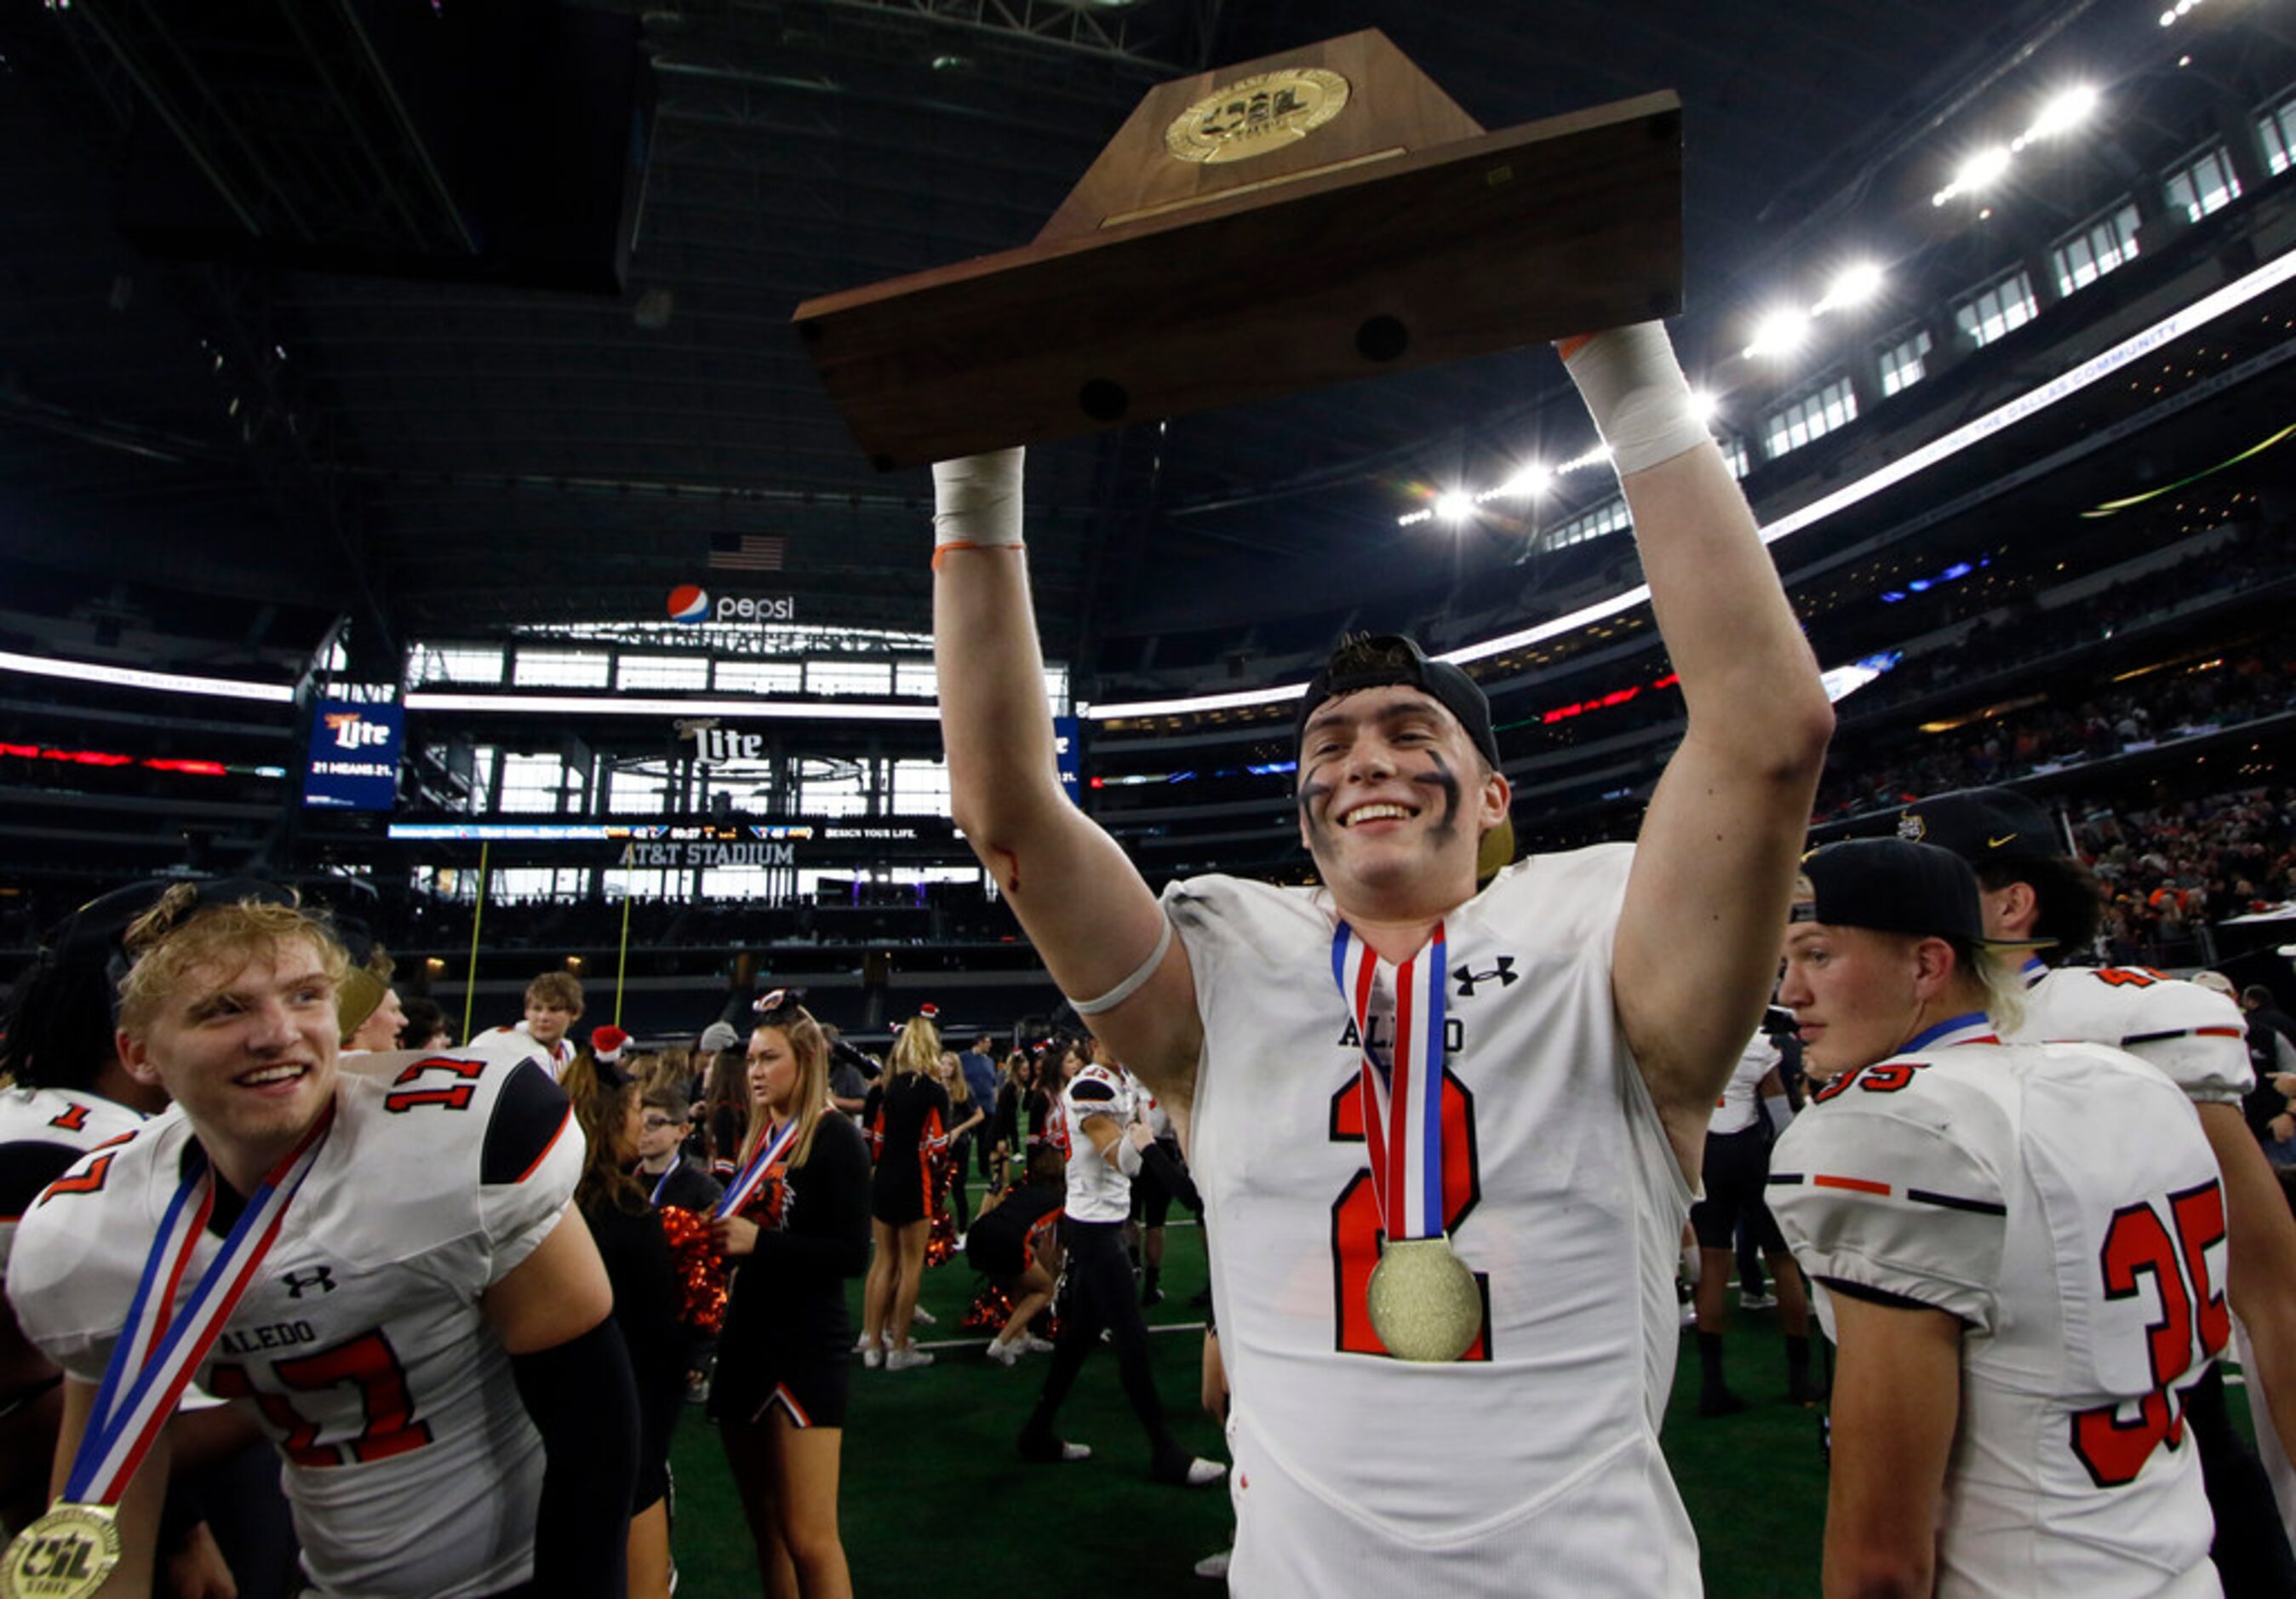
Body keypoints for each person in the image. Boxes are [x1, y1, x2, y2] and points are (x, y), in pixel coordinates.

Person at [930, 318, 1831, 1588]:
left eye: (1413, 730)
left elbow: (1770, 732)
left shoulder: (1600, 945)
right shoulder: (1224, 969)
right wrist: (975, 469)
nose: (1367, 758)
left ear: (1497, 792)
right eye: (1331, 744)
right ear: (1300, 805)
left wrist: (1614, 345)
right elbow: (1009, 809)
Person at [9, 885, 638, 1597]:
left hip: (518, 1574)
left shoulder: (454, 1146)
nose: (278, 1033)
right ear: (140, 1053)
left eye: (306, 995)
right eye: (224, 1008)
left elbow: (595, 1436)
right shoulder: (97, 1230)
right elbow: (105, 1499)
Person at [1770, 838, 2224, 1596]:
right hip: (2176, 1562)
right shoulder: (2124, 1078)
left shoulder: (1894, 1127)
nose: (1791, 991)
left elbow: (1881, 1558)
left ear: (1925, 965)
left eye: (1817, 955)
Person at [1904, 784, 2296, 1584]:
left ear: (2011, 904)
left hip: (2148, 1443)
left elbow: (2270, 1283)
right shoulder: (1898, 1037)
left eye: (1926, 888)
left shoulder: (2118, 1022)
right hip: (1973, 1458)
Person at [0, 878, 299, 1599]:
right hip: (133, 1512)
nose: (270, 1033)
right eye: (224, 1005)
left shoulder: (29, 1116)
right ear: (132, 1033)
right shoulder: (86, 1170)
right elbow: (37, 1412)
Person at [711, 999, 870, 1599]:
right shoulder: (763, 1136)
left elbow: (852, 1256)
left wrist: (761, 1243)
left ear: (806, 1063)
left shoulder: (833, 1139)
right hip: (748, 1339)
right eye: (751, 1059)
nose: (754, 1071)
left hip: (804, 1347)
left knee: (810, 1537)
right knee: (768, 1532)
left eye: (768, 1058)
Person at [1016, 1036, 1219, 1485]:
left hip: (1103, 1223)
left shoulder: (1119, 1080)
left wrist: (1150, 1142)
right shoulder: (1092, 1086)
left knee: (1078, 1337)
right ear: (1093, 1041)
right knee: (1131, 1337)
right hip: (1093, 1230)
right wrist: (1142, 1141)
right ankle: (1164, 1451)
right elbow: (1123, 1162)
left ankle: (1036, 1431)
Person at [563, 1053, 682, 1599]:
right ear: (613, 1119)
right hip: (624, 1429)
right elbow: (661, 1339)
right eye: (637, 1110)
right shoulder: (625, 1208)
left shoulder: (547, 1200)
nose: (642, 1122)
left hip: (554, 1432)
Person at [1687, 1026, 1818, 1416]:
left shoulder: (1690, 1039)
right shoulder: (1756, 1045)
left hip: (1707, 1152)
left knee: (1712, 1265)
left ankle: (1712, 1387)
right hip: (1752, 1153)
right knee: (1782, 1260)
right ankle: (1800, 1379)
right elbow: (1780, 1116)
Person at [857, 1015, 950, 1371]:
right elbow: (939, 1147)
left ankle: (872, 1340)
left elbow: (877, 1141)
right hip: (915, 1180)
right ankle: (898, 1348)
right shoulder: (933, 1091)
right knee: (911, 1266)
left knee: (883, 1260)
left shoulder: (887, 1088)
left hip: (884, 1179)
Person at [963, 1145, 1065, 1365]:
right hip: (1005, 1241)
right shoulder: (1057, 1202)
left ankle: (1021, 1335)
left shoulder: (1023, 1189)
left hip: (979, 1235)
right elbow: (1051, 1249)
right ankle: (1002, 1342)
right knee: (1044, 1289)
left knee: (1019, 1283)